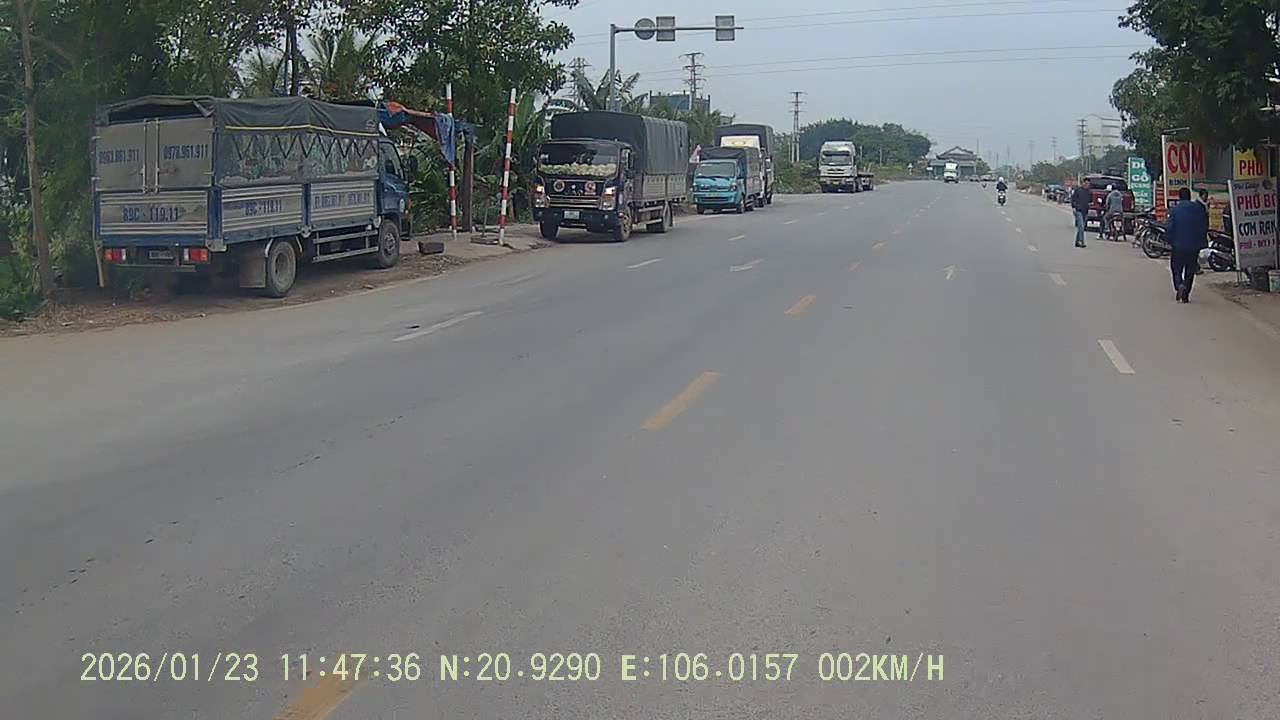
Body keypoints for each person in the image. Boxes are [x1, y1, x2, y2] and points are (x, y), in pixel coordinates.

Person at [1166, 186, 1209, 302]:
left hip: (1178, 245)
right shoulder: (1199, 209)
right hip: (1193, 246)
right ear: (1190, 196)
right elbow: (1204, 227)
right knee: (1190, 269)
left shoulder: (1175, 210)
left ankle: (1179, 285)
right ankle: (1186, 290)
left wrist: (1168, 240)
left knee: (1176, 268)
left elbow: (1170, 227)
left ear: (1179, 197)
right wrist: (1202, 242)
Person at [1070, 181, 1092, 248]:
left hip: (1085, 211)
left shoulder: (1089, 192)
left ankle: (1077, 242)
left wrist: (1090, 205)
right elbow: (1073, 199)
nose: (1087, 185)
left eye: (1088, 184)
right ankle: (1081, 242)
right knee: (1081, 227)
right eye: (1086, 183)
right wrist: (1073, 207)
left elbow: (1090, 201)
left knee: (1081, 227)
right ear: (1083, 183)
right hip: (1078, 210)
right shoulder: (1078, 190)